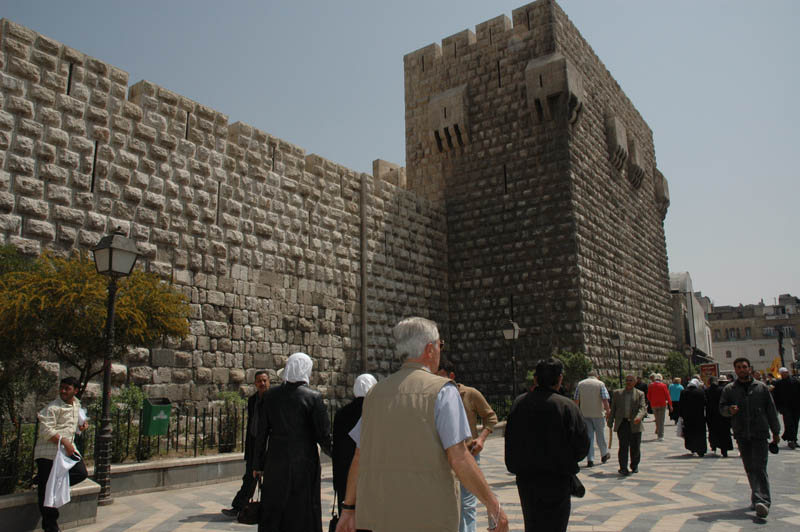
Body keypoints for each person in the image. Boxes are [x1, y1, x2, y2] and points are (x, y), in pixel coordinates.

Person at [336, 317, 508, 532]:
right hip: (430, 516)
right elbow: (459, 456)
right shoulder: (443, 391)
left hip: (382, 515)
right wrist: (494, 506)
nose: (440, 350)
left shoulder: (374, 394)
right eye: (440, 345)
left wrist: (349, 508)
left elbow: (359, 456)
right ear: (430, 349)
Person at [505, 357, 589, 532]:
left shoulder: (520, 404)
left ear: (535, 379)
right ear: (560, 379)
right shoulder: (567, 407)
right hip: (558, 479)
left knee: (533, 525)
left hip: (528, 480)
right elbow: (582, 447)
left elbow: (511, 440)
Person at [253, 353, 331, 532]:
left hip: (276, 461)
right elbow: (323, 435)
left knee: (275, 506)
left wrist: (258, 464)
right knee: (302, 508)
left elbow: (261, 433)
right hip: (304, 463)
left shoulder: (270, 396)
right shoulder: (313, 397)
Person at [437, 359, 499, 532]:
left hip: (468, 454)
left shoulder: (470, 394)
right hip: (445, 457)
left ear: (451, 376)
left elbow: (491, 417)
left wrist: (481, 439)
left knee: (467, 503)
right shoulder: (435, 395)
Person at [720, 357, 781, 519]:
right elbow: (721, 408)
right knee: (750, 468)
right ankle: (757, 498)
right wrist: (729, 410)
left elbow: (771, 410)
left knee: (759, 467)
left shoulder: (761, 388)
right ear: (735, 370)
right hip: (741, 434)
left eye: (744, 367)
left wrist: (776, 431)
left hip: (759, 433)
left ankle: (763, 501)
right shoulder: (729, 389)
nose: (742, 369)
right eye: (739, 367)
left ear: (749, 368)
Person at [34, 377, 89, 532]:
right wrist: (64, 442)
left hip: (65, 453)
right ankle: (51, 528)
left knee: (80, 472)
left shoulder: (76, 404)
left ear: (76, 390)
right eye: (62, 388)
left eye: (67, 388)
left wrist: (82, 425)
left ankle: (45, 482)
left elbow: (76, 421)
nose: (63, 391)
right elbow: (46, 430)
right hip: (49, 454)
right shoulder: (52, 408)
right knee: (47, 494)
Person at [222, 370, 270, 518]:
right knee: (249, 477)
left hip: (269, 445)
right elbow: (251, 425)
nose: (262, 383)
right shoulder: (253, 400)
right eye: (259, 381)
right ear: (255, 383)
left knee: (270, 481)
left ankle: (270, 511)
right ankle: (238, 507)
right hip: (254, 445)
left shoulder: (273, 400)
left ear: (269, 382)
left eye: (264, 381)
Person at [332, 374, 377, 515]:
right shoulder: (377, 411)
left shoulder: (341, 413)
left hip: (345, 473)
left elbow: (337, 448)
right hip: (371, 473)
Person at [607, 374, 647, 476]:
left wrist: (639, 417)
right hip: (622, 423)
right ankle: (623, 468)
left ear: (635, 382)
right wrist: (610, 421)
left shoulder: (640, 394)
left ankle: (634, 465)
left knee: (635, 446)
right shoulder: (617, 393)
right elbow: (613, 409)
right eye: (627, 380)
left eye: (631, 380)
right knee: (623, 446)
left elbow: (642, 408)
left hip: (635, 423)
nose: (628, 382)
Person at [573, 370, 611, 467]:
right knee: (600, 435)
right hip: (598, 413)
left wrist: (576, 413)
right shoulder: (600, 384)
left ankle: (590, 459)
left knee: (589, 437)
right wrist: (608, 411)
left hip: (585, 414)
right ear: (597, 376)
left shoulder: (580, 384)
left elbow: (576, 400)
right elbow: (605, 399)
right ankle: (604, 453)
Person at [771, 367, 800, 449]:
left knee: (795, 423)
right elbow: (775, 396)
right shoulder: (778, 384)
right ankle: (791, 439)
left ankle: (793, 439)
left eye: (786, 372)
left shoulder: (795, 382)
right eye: (783, 372)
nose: (785, 374)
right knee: (789, 423)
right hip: (785, 407)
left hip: (796, 406)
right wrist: (777, 407)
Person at [705, 376, 733, 457]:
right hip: (722, 414)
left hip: (711, 415)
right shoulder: (722, 390)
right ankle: (724, 450)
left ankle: (714, 445)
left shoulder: (707, 390)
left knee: (713, 431)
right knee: (724, 432)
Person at [678, 378, 707, 456]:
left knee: (690, 433)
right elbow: (705, 403)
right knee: (700, 433)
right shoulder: (701, 392)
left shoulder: (683, 392)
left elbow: (680, 404)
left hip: (688, 417)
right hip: (699, 416)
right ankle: (701, 450)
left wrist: (680, 415)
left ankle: (692, 447)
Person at [646, 373, 672, 440]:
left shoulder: (651, 385)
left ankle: (658, 430)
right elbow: (667, 395)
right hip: (662, 404)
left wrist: (651, 400)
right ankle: (660, 435)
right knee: (661, 420)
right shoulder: (663, 385)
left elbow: (648, 396)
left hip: (654, 404)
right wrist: (670, 404)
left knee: (657, 419)